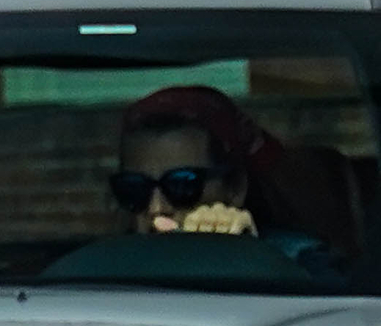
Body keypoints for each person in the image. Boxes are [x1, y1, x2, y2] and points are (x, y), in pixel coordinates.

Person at [108, 84, 360, 271]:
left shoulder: (304, 263)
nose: (156, 208)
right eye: (134, 189)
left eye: (182, 185)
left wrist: (248, 260)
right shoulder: (105, 273)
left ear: (235, 187)